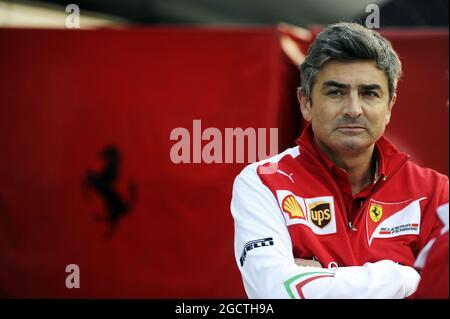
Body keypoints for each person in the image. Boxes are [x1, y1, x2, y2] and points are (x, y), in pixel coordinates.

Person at [230, 22, 448, 299]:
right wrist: (404, 276)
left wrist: (316, 277)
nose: (353, 110)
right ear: (306, 103)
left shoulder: (436, 193)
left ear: (390, 106)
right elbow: (275, 292)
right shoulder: (262, 183)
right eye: (336, 92)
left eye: (369, 93)